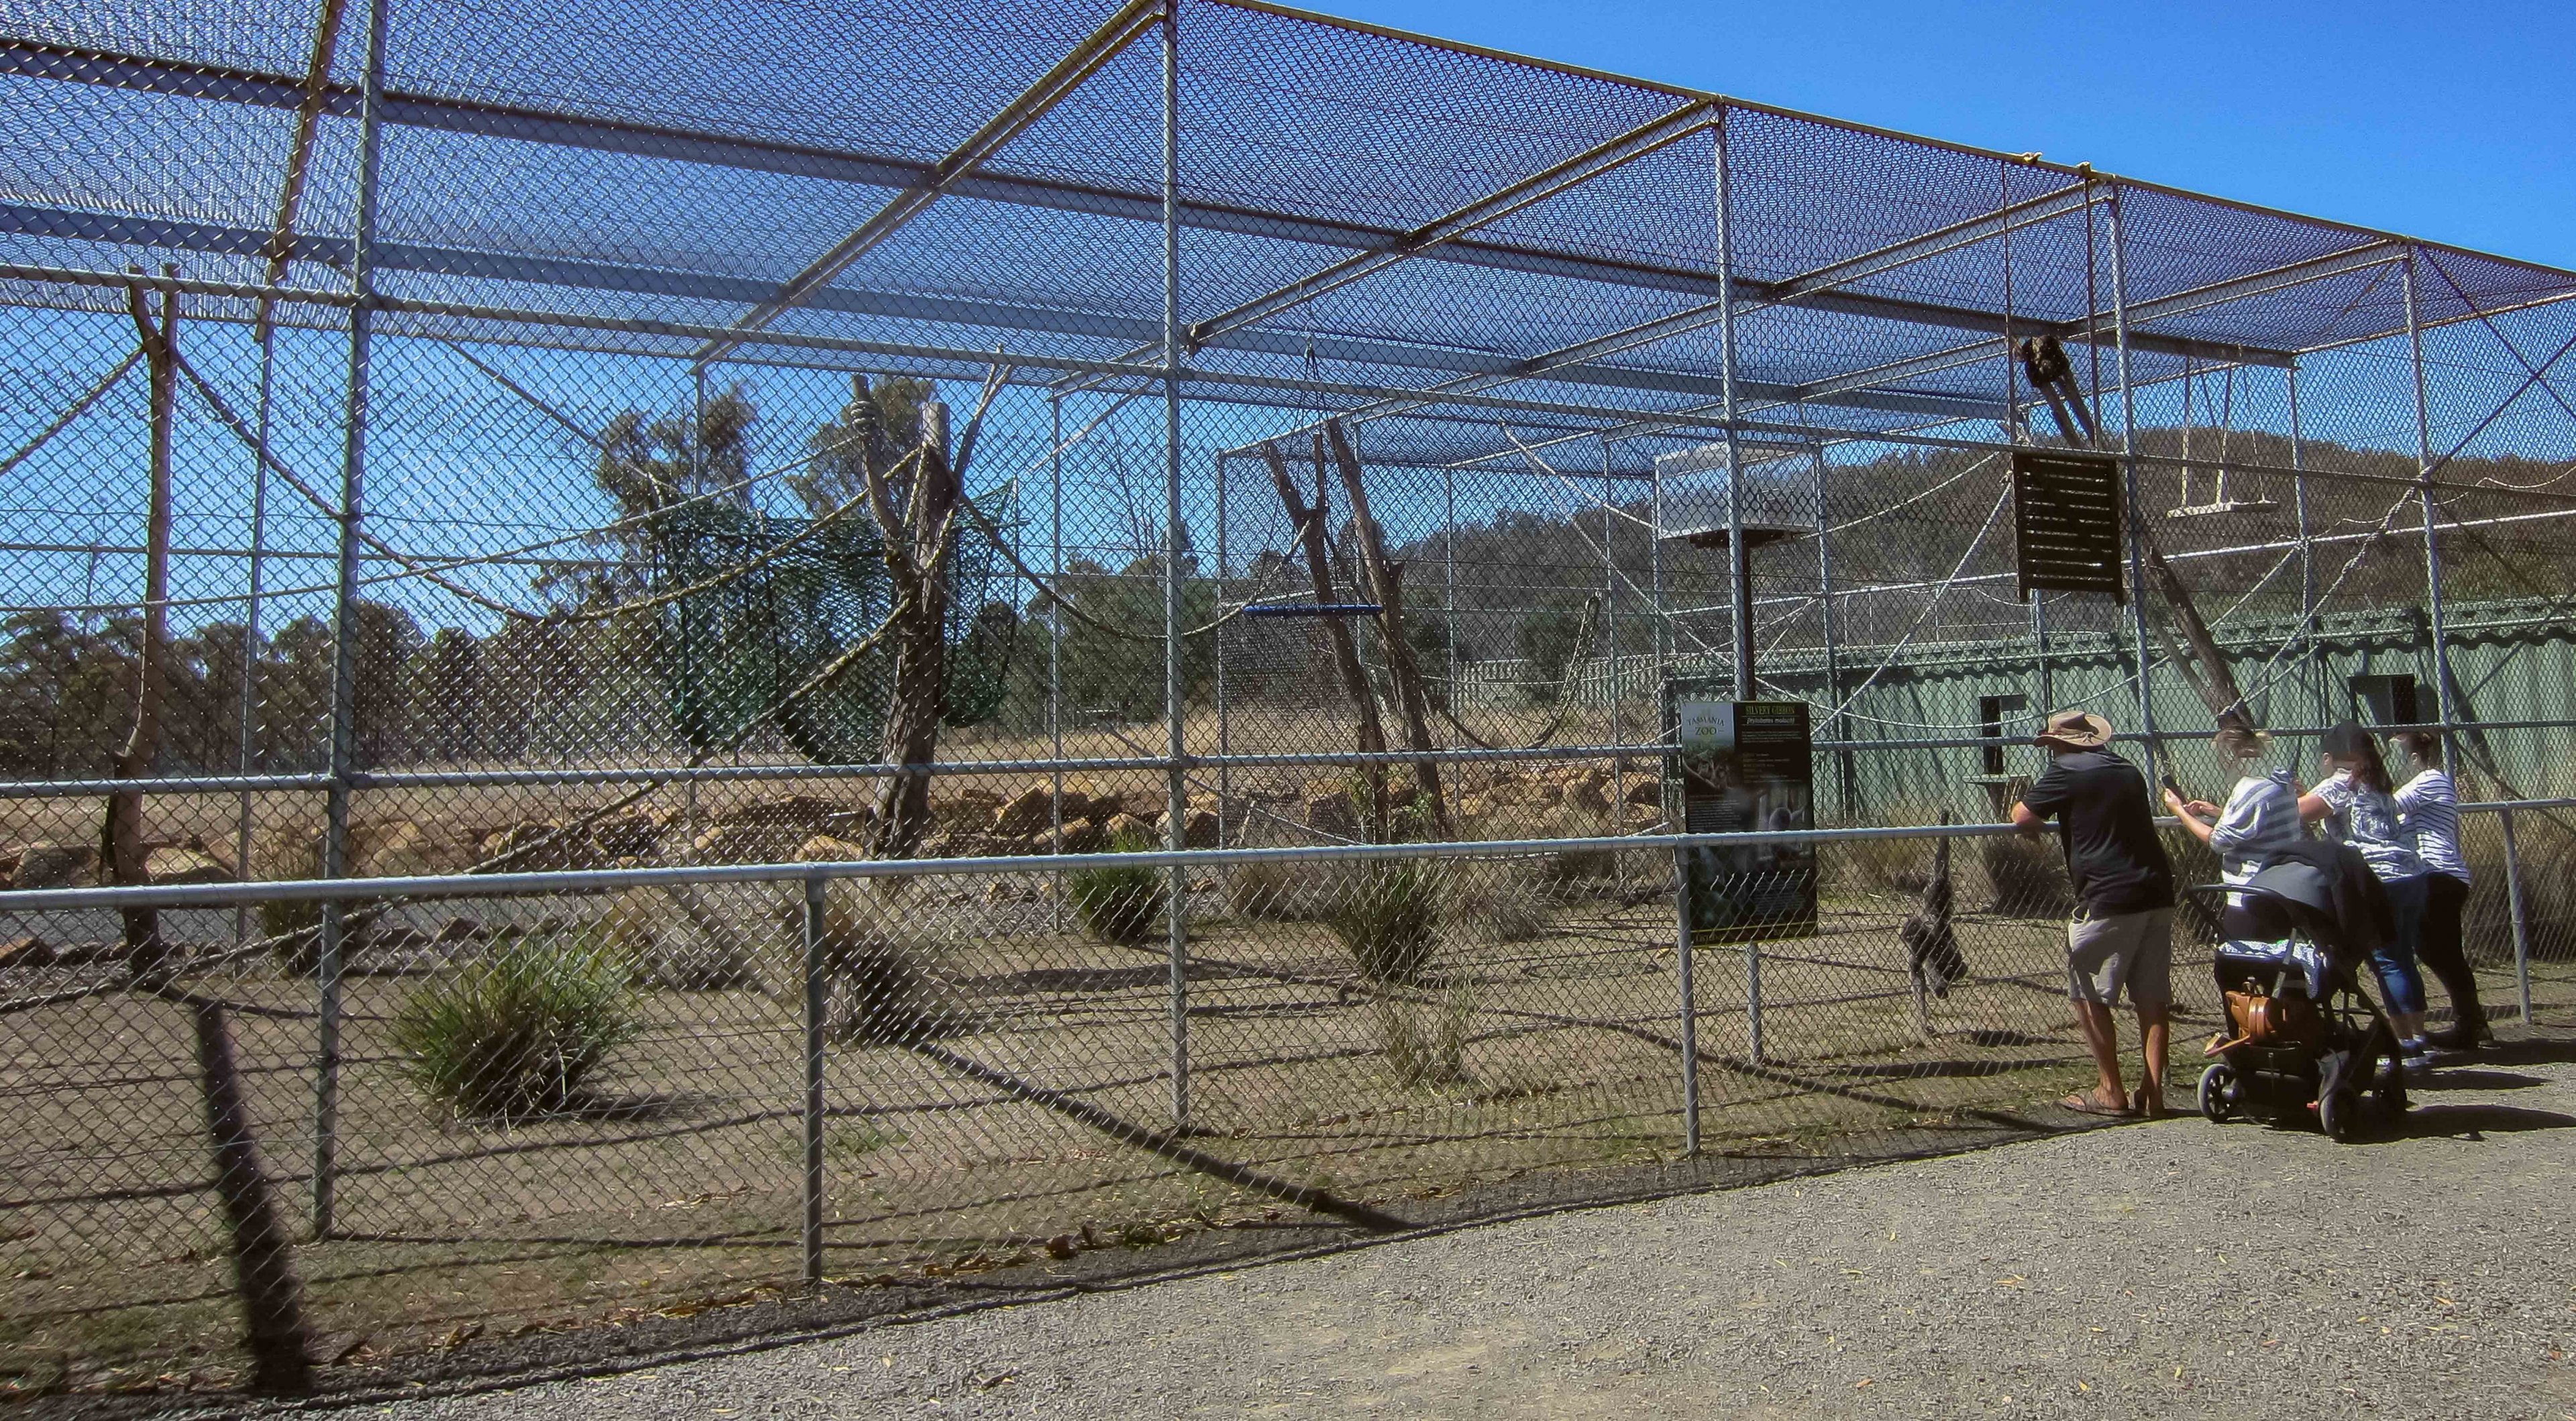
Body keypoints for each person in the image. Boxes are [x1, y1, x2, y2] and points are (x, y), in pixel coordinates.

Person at [2010, 709, 2177, 1117]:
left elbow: (2022, 814)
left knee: (2086, 992)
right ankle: (2153, 1093)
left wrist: (2034, 827)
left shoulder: (2067, 770)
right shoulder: (2127, 769)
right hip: (2156, 889)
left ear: (2060, 743)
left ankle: (2110, 1091)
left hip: (2108, 896)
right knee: (2151, 995)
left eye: (2052, 743)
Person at [2300, 721, 2433, 1072]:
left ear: (2330, 758)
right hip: (2411, 874)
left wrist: (2292, 797)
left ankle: (2406, 1046)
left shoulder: (2340, 782)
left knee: (2386, 960)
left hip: (2379, 879)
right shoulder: (2377, 780)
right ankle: (2418, 1040)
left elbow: (2299, 812)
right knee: (2402, 957)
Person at [2163, 720, 2306, 942]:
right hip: (2283, 889)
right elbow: (2260, 824)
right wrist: (2219, 813)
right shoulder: (2280, 779)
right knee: (2285, 964)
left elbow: (2218, 841)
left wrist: (2181, 813)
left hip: (2251, 894)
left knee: (2240, 969)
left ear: (2231, 756)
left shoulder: (2249, 788)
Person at [2395, 732, 2485, 1049]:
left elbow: (2387, 807)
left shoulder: (2430, 779)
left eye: (2400, 755)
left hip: (2440, 875)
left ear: (2416, 758)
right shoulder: (2417, 786)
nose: (2396, 765)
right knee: (2436, 951)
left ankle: (2470, 1024)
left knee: (2443, 952)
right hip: (2428, 876)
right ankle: (2472, 1022)